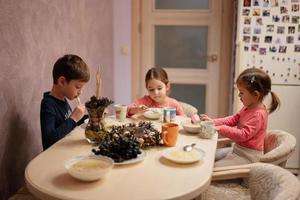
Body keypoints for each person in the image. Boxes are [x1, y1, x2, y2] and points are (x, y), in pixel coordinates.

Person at [200, 68, 280, 167]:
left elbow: (243, 135)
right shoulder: (248, 107)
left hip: (248, 157)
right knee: (208, 157)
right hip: (238, 150)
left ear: (255, 95)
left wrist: (221, 128)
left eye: (241, 92)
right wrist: (213, 122)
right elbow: (234, 119)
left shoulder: (258, 115)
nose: (238, 95)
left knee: (214, 167)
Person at [40, 54, 90, 150]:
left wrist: (93, 116)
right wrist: (73, 118)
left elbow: (67, 124)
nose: (80, 92)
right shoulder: (48, 104)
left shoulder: (63, 99)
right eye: (77, 87)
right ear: (62, 82)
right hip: (55, 156)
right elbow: (49, 141)